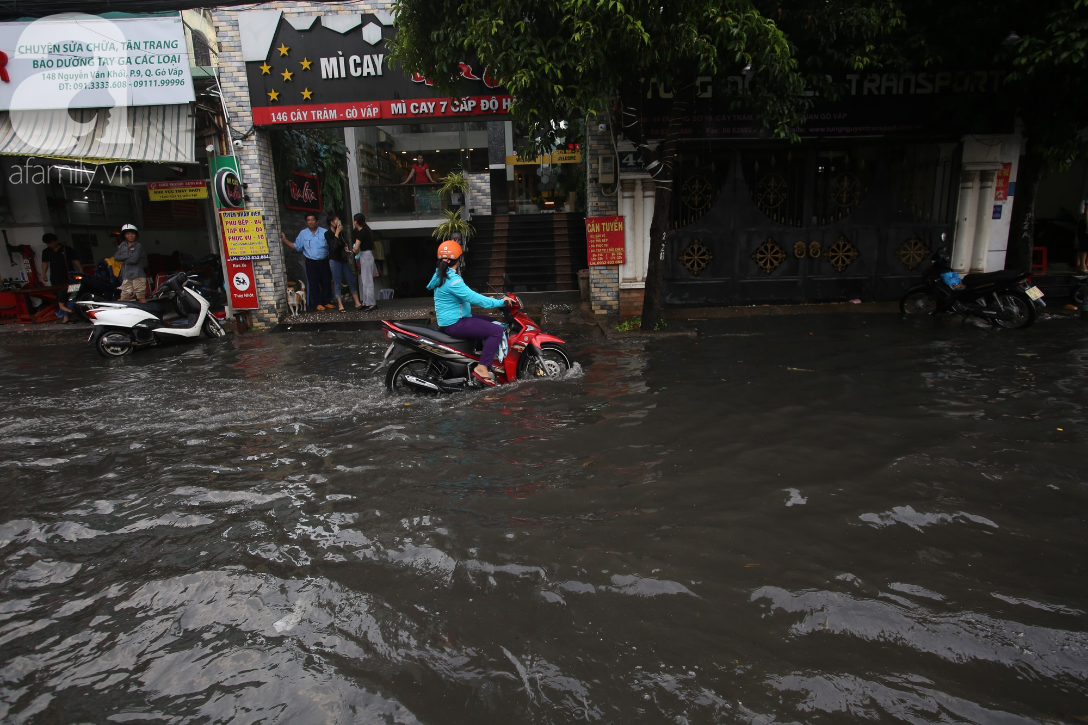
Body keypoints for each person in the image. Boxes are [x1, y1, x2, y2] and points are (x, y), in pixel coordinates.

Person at [426, 240, 513, 387]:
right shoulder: (453, 281)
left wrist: (490, 298)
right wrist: (500, 302)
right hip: (455, 323)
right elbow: (475, 299)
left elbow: (468, 295)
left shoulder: (441, 275)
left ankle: (477, 356)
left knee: (489, 322)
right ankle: (482, 367)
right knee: (496, 331)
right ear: (459, 259)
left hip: (453, 319)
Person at [281, 212, 333, 310]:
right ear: (306, 222)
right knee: (313, 282)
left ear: (316, 221)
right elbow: (297, 247)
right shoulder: (303, 234)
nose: (310, 222)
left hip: (324, 261)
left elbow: (332, 245)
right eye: (308, 220)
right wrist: (285, 240)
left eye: (312, 220)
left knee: (326, 281)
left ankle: (327, 302)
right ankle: (318, 303)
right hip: (311, 262)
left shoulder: (324, 232)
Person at [325, 214, 362, 312]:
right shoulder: (328, 234)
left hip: (343, 259)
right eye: (336, 221)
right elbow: (333, 247)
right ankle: (340, 305)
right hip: (334, 260)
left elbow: (342, 244)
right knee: (337, 282)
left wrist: (345, 248)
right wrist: (336, 233)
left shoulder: (341, 233)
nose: (338, 223)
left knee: (351, 280)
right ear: (331, 223)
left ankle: (357, 302)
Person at [114, 224, 149, 303]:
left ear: (136, 235)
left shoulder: (138, 246)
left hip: (138, 275)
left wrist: (123, 258)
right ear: (124, 235)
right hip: (126, 276)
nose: (130, 236)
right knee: (124, 298)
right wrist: (128, 256)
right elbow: (116, 257)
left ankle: (146, 313)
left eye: (132, 233)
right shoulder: (122, 246)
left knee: (140, 297)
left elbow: (134, 260)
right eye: (128, 234)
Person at [352, 213, 377, 310]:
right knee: (366, 280)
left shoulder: (361, 232)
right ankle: (366, 302)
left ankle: (371, 303)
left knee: (367, 281)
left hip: (365, 256)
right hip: (368, 256)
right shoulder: (367, 231)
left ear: (355, 222)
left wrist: (353, 249)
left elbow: (356, 248)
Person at [1076, 201, 1088, 273]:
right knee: (1085, 244)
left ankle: (1085, 264)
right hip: (1085, 223)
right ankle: (1082, 265)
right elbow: (1086, 212)